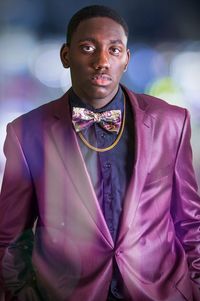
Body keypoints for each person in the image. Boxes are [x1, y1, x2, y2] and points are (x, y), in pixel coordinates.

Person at [0, 4, 200, 301]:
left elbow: (190, 222)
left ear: (127, 59)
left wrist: (194, 287)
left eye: (114, 50)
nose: (102, 61)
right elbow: (9, 235)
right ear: (66, 56)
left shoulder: (172, 122)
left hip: (161, 292)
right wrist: (19, 293)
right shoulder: (26, 132)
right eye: (88, 47)